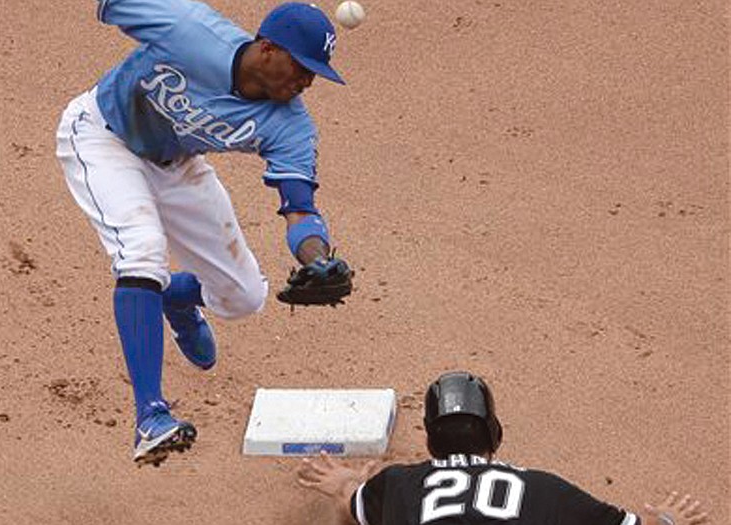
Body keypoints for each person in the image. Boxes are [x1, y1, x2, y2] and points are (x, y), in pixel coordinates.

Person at [56, 0, 353, 466]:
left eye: (315, 73)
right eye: (302, 67)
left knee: (243, 296)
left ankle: (172, 296)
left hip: (177, 165)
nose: (307, 82)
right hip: (102, 136)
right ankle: (150, 416)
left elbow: (300, 211)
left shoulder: (290, 124)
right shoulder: (188, 28)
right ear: (268, 48)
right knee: (142, 250)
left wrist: (317, 258)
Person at [298, 371, 710, 525]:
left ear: (429, 439)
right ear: (496, 436)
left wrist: (347, 481)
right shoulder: (547, 491)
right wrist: (671, 519)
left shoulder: (397, 485)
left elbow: (350, 501)